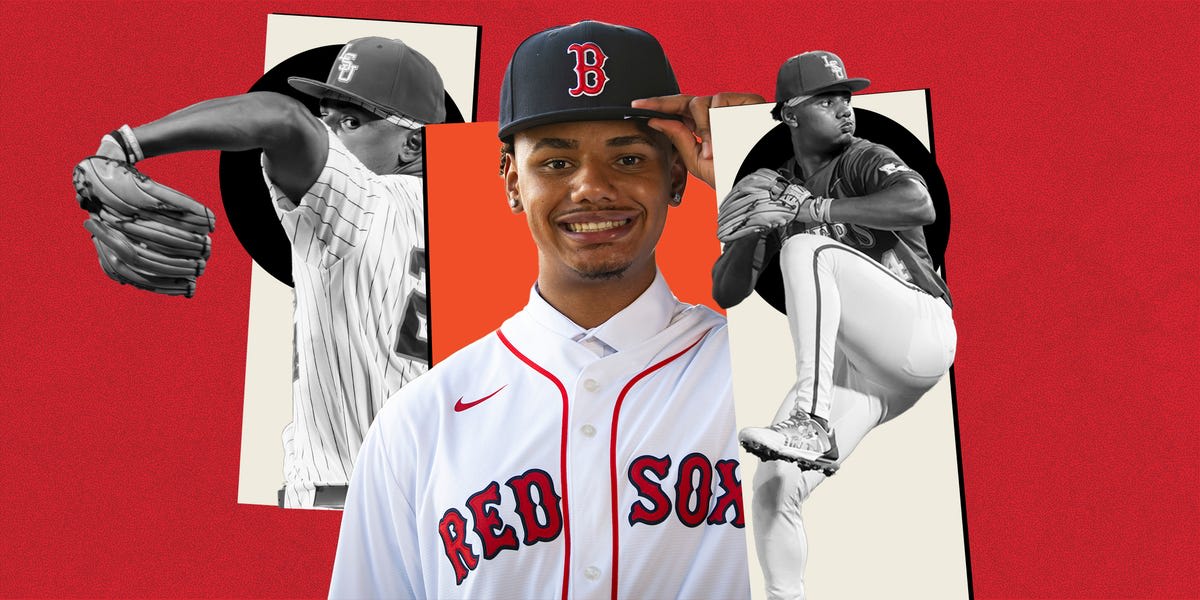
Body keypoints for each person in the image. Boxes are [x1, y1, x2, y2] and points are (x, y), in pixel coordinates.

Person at [329, 21, 749, 599]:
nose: (591, 188)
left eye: (628, 159)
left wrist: (769, 163)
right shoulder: (420, 423)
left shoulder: (766, 372)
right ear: (511, 182)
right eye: (555, 163)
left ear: (676, 176)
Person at [637, 51, 957, 599]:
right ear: (790, 114)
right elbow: (727, 292)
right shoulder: (774, 187)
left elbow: (918, 203)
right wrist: (749, 234)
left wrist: (814, 211)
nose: (844, 109)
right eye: (826, 101)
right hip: (865, 378)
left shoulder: (862, 157)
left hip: (920, 327)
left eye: (845, 98)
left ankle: (810, 420)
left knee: (809, 248)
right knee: (774, 483)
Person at [83, 37, 445, 509]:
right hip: (437, 511)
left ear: (413, 142)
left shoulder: (365, 203)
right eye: (325, 117)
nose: (329, 134)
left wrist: (124, 145)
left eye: (351, 122)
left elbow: (283, 118)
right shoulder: (473, 225)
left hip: (345, 510)